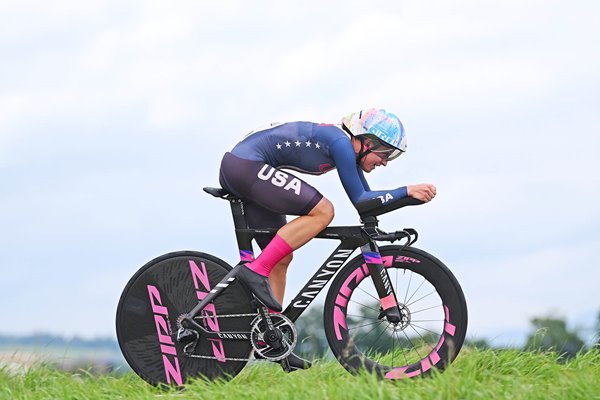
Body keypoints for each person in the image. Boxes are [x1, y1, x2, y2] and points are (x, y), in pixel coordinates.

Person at [218, 108, 436, 371]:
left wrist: (407, 200)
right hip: (245, 165)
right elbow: (360, 200)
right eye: (385, 153)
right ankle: (255, 271)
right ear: (367, 142)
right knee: (324, 211)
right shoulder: (341, 143)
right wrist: (406, 190)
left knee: (281, 257)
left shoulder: (346, 148)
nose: (386, 162)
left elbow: (368, 204)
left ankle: (273, 340)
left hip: (248, 167)